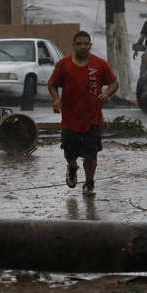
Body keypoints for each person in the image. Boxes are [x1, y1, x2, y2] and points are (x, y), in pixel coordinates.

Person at [48, 31, 119, 196]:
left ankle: (89, 182)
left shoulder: (99, 64)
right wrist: (56, 99)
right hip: (70, 118)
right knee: (69, 151)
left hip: (93, 117)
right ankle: (72, 167)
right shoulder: (63, 64)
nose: (82, 46)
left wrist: (107, 93)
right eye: (79, 43)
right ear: (73, 45)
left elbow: (114, 82)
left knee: (91, 154)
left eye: (86, 44)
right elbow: (52, 84)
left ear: (90, 46)